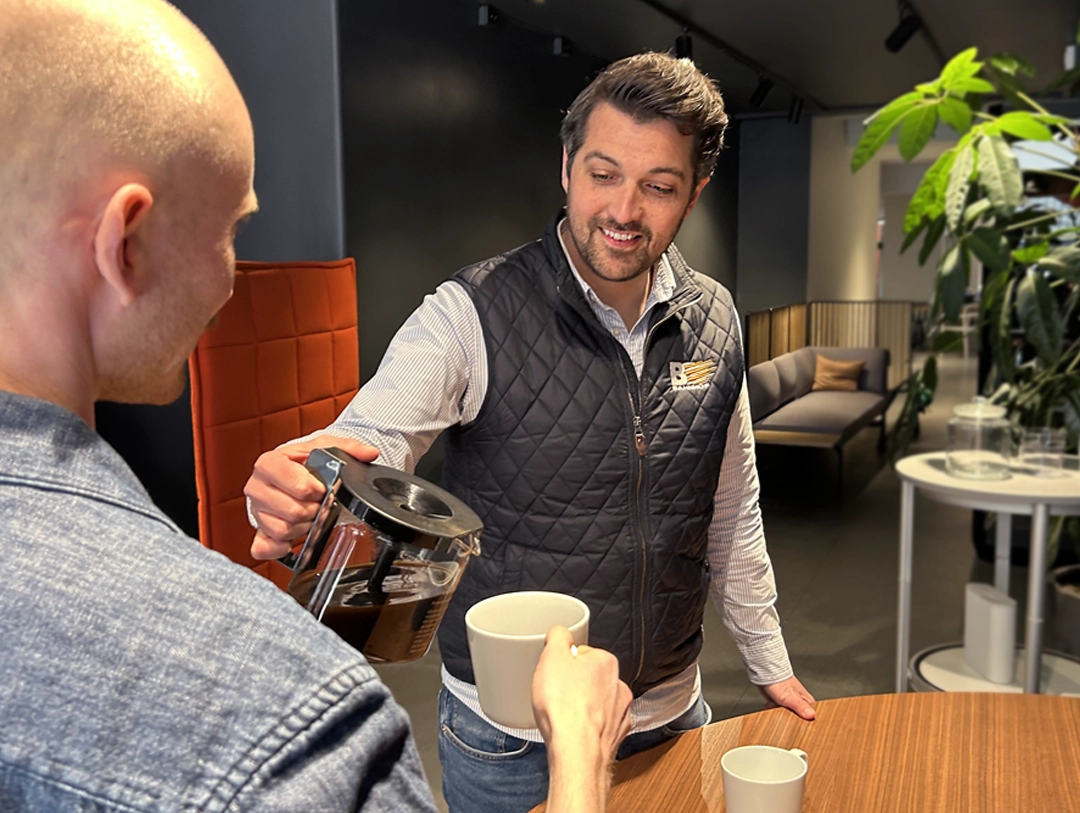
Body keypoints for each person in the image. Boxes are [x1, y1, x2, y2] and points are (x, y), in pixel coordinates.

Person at [0, 1, 631, 811]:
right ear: (125, 243)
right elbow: (379, 431)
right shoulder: (286, 713)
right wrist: (580, 751)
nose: (231, 280)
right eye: (231, 233)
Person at [246, 52, 817, 813]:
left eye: (658, 186)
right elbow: (368, 443)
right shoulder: (469, 312)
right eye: (603, 174)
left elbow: (731, 511)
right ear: (567, 167)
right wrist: (302, 488)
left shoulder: (715, 318)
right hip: (511, 740)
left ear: (693, 193)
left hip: (671, 715)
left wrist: (769, 661)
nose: (623, 210)